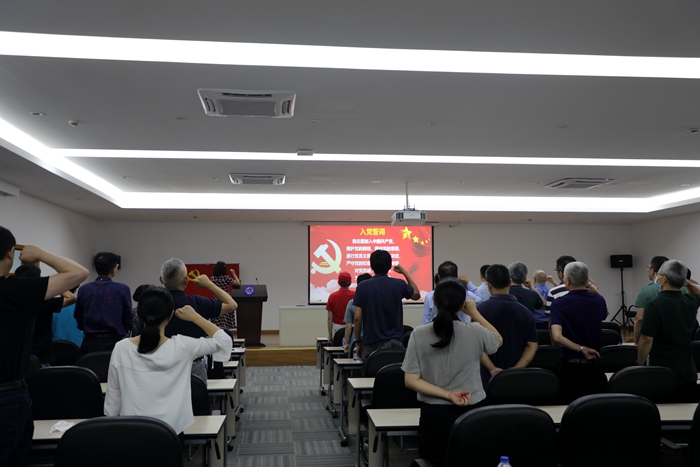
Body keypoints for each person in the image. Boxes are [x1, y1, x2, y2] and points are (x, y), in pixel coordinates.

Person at [0, 226, 88, 466]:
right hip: (7, 395)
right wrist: (41, 254)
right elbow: (79, 272)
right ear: (10, 253)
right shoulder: (17, 291)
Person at [104, 286, 232, 434]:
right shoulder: (183, 346)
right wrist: (195, 317)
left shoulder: (121, 348)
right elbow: (224, 341)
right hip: (172, 433)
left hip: (132, 433)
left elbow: (112, 403)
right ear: (171, 315)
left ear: (138, 313)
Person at [402, 278, 502, 467]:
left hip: (435, 414)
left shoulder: (419, 333)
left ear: (434, 302)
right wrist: (474, 313)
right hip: (471, 411)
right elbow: (498, 340)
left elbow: (411, 380)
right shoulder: (475, 330)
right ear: (463, 304)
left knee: (434, 462)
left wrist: (448, 394)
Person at [160, 258, 237, 381]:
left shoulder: (154, 305)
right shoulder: (197, 302)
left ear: (161, 280)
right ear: (186, 280)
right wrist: (209, 285)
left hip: (162, 364)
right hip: (193, 366)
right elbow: (232, 305)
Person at [637, 260, 700, 402]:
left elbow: (646, 339)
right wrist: (685, 282)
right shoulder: (690, 302)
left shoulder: (654, 304)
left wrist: (640, 363)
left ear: (664, 279)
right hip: (687, 372)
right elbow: (698, 292)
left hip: (662, 372)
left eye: (658, 274)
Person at [550, 261, 607, 403]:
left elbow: (557, 337)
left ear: (567, 280)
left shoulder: (558, 304)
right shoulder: (599, 300)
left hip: (570, 366)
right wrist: (596, 292)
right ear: (587, 280)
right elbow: (605, 313)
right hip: (594, 364)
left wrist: (582, 349)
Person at [477, 264, 538, 387]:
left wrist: (492, 368)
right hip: (517, 379)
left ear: (488, 285)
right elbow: (532, 345)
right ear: (510, 282)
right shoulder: (525, 312)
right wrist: (516, 369)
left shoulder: (480, 311)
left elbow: (477, 346)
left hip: (487, 378)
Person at [353, 250, 420, 361]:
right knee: (393, 371)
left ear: (371, 266)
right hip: (394, 343)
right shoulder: (399, 284)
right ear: (389, 266)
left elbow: (357, 318)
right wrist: (405, 272)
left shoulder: (362, 287)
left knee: (370, 371)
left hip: (370, 343)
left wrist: (358, 343)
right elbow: (416, 295)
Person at [14, 264, 77, 367]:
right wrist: (49, 284)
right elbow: (71, 298)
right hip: (40, 355)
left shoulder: (11, 301)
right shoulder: (43, 301)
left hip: (16, 355)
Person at [74, 252, 133, 354]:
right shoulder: (123, 289)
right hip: (114, 341)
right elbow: (128, 316)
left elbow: (78, 316)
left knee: (88, 364)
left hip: (89, 342)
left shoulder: (83, 289)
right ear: (113, 269)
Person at [633, 255, 669, 345]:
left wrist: (636, 342)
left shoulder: (645, 291)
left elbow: (639, 318)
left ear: (652, 271)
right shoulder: (682, 289)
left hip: (654, 340)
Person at [507, 262, 547, 329]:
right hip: (527, 330)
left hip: (508, 330)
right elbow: (544, 304)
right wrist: (531, 287)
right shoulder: (532, 294)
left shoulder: (505, 293)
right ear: (525, 278)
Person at [343, 273, 372, 354]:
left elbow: (348, 326)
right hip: (373, 339)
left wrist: (347, 343)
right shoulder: (376, 302)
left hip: (357, 339)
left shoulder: (352, 303)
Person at [209, 261, 241, 330]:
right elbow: (237, 283)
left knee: (218, 314)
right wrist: (233, 273)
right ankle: (227, 329)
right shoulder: (225, 278)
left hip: (217, 299)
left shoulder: (212, 279)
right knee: (226, 314)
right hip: (226, 298)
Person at [326, 271, 354, 343]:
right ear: (350, 282)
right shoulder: (355, 295)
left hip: (338, 328)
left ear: (338, 282)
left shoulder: (333, 296)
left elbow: (329, 318)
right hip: (352, 327)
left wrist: (330, 335)